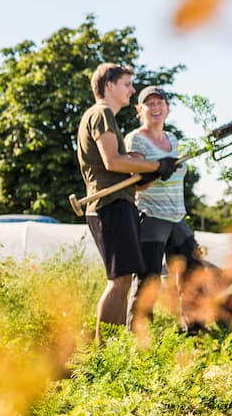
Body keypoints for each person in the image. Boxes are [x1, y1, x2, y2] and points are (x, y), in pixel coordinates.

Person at [76, 63, 177, 337]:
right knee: (118, 280)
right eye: (127, 84)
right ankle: (104, 353)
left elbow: (121, 166)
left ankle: (114, 348)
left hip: (120, 203)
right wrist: (157, 166)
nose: (132, 90)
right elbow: (111, 161)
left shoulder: (105, 116)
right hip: (110, 207)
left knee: (122, 280)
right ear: (109, 85)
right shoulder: (102, 113)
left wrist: (147, 170)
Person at [124, 86, 205, 316]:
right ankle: (138, 341)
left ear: (167, 108)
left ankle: (195, 335)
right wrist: (157, 171)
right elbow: (135, 183)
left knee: (193, 276)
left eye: (160, 103)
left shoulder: (173, 139)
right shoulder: (135, 139)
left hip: (178, 218)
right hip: (151, 218)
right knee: (148, 282)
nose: (156, 107)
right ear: (140, 110)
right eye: (150, 103)